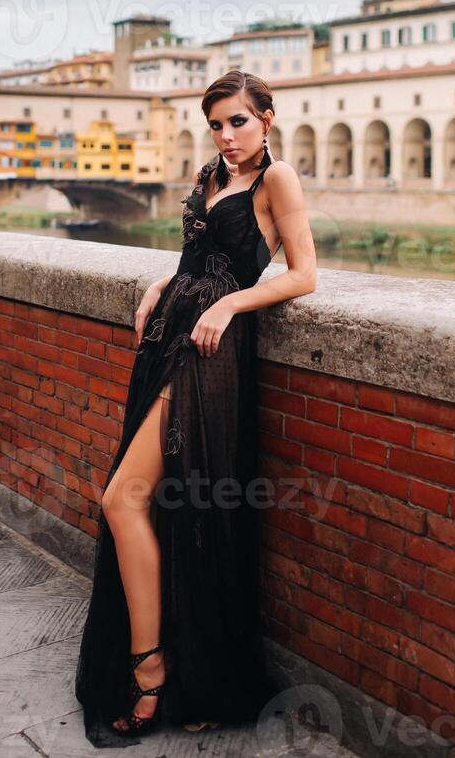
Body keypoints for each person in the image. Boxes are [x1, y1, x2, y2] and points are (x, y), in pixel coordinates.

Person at [74, 69, 317, 745]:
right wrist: (163, 282)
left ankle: (157, 668)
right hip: (165, 337)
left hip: (207, 356)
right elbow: (197, 254)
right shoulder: (212, 176)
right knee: (158, 505)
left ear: (267, 116)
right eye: (215, 123)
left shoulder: (278, 180)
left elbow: (303, 272)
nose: (226, 135)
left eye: (238, 121)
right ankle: (165, 660)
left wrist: (230, 302)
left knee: (128, 500)